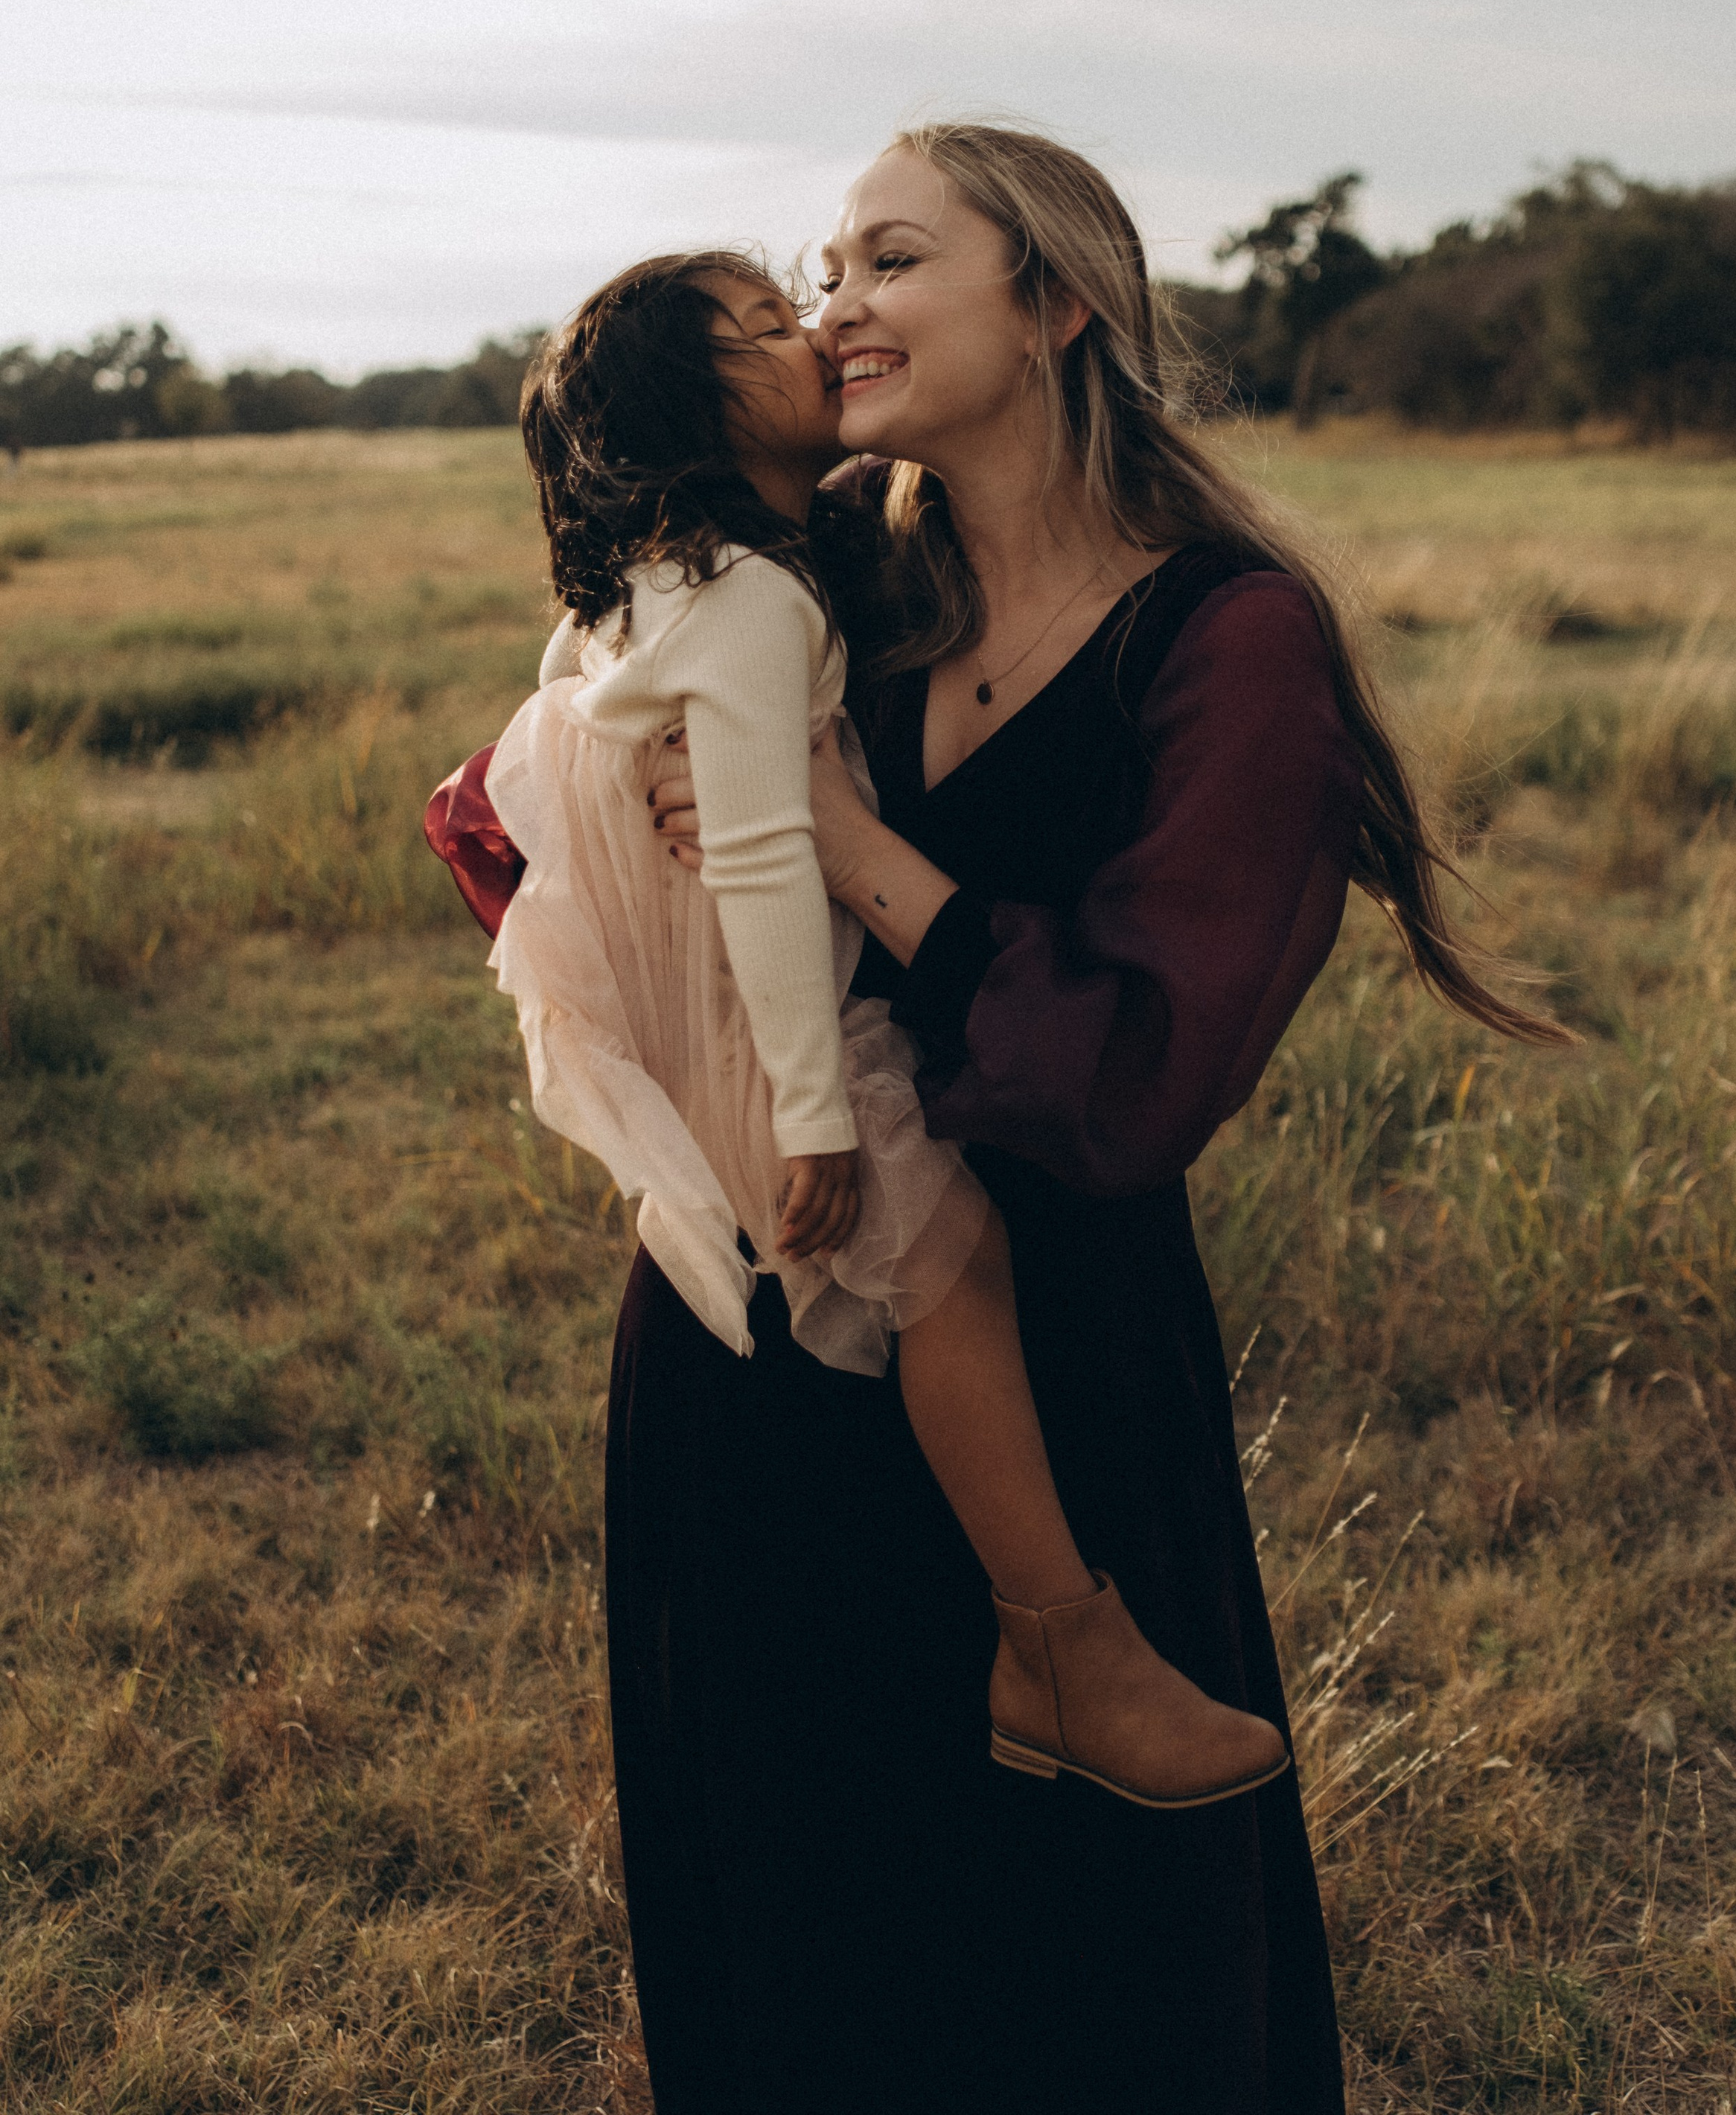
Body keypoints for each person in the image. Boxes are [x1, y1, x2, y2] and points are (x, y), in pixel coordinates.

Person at [628, 125, 1562, 2115]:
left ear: (1057, 303)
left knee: (1089, 1967)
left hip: (1054, 1357)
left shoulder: (1227, 641)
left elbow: (1131, 1079)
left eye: (892, 261)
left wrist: (851, 847)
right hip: (764, 1340)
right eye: (822, 267)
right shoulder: (834, 580)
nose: (834, 306)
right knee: (807, 1920)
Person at [430, 249, 1292, 1811]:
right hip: (782, 1039)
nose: (816, 323)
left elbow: (568, 706)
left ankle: (1057, 1644)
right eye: (776, 318)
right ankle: (1057, 1638)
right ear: (699, 415)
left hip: (717, 1041)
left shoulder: (668, 587)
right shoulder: (756, 592)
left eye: (856, 277)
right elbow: (762, 852)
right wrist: (817, 1104)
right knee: (950, 1264)